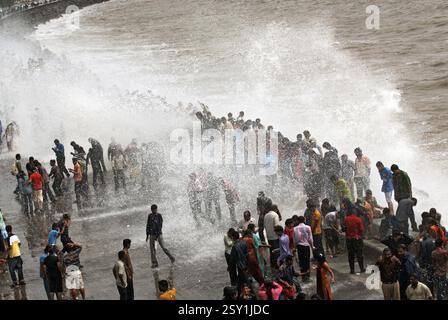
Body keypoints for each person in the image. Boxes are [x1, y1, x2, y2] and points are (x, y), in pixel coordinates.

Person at [146, 204, 175, 269]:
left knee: (164, 247)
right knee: (152, 250)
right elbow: (148, 225)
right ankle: (154, 263)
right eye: (153, 210)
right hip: (152, 235)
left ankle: (171, 257)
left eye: (155, 209)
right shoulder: (150, 216)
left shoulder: (159, 216)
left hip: (159, 234)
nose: (155, 211)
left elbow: (160, 226)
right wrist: (147, 235)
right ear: (151, 210)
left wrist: (157, 235)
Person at [344, 210, 365, 274]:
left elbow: (344, 228)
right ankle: (361, 268)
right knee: (359, 254)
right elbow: (361, 230)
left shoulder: (346, 219)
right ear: (356, 213)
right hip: (357, 239)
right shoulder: (358, 219)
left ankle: (352, 270)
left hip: (349, 239)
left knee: (351, 255)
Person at [293, 216, 314, 281]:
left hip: (299, 246)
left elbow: (295, 239)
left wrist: (295, 247)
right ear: (304, 220)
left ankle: (303, 277)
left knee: (301, 261)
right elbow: (310, 238)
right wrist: (312, 246)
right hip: (306, 246)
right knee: (307, 261)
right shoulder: (308, 227)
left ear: (298, 221)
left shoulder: (295, 228)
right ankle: (307, 277)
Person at [229, 230, 249, 295]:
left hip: (240, 264)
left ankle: (242, 292)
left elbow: (232, 258)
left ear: (233, 237)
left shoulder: (235, 246)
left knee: (242, 279)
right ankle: (244, 291)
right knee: (243, 277)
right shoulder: (244, 242)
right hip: (246, 263)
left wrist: (229, 267)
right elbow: (247, 253)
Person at [264, 205, 280, 269]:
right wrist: (279, 235)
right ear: (275, 209)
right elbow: (276, 226)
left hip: (268, 236)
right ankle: (277, 265)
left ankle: (272, 265)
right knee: (276, 251)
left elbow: (265, 226)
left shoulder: (266, 215)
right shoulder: (275, 215)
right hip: (275, 236)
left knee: (271, 251)